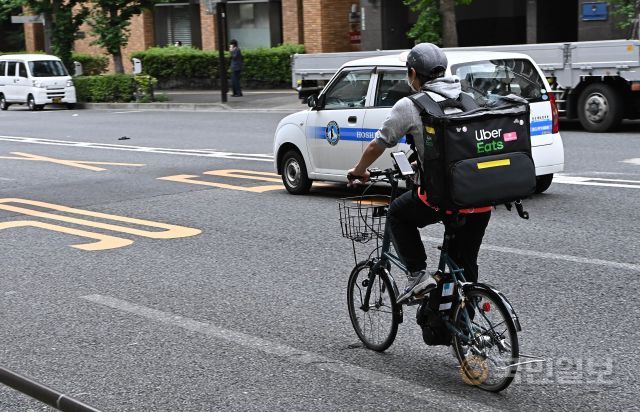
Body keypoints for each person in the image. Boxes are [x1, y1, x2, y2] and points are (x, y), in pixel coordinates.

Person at [347, 43, 492, 303]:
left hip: (444, 198)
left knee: (398, 214)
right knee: (465, 268)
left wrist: (359, 170)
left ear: (413, 73)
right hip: (480, 198)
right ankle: (466, 334)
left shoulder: (411, 105)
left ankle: (417, 275)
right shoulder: (468, 99)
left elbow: (378, 143)